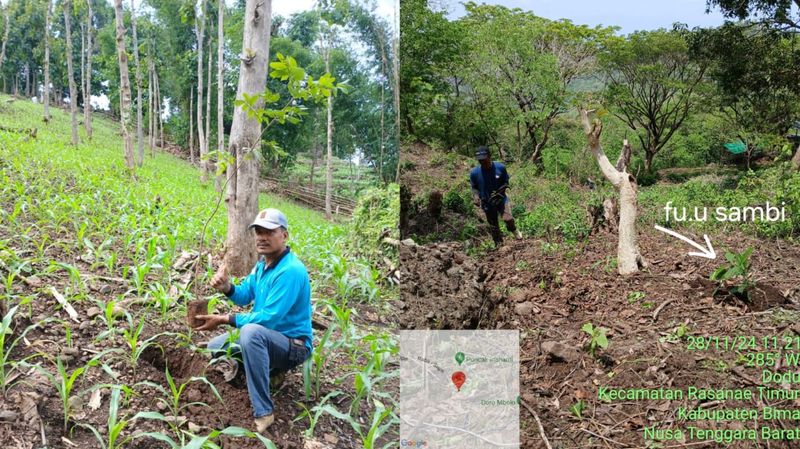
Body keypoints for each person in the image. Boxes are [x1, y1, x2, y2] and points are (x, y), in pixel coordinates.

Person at [194, 208, 313, 434]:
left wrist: (223, 319)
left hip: (294, 345)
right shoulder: (262, 265)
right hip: (268, 337)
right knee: (215, 346)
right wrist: (227, 288)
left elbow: (269, 318)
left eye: (269, 231)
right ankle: (269, 370)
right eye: (258, 231)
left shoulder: (291, 271)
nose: (261, 237)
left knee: (250, 333)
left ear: (284, 235)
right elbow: (244, 295)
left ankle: (264, 411)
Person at [469, 146, 522, 245]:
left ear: (489, 156)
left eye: (484, 160)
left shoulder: (500, 167)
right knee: (493, 225)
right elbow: (474, 187)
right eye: (480, 161)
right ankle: (499, 245)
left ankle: (513, 230)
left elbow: (505, 183)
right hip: (487, 202)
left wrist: (499, 192)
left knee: (508, 218)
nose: (482, 162)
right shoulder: (474, 173)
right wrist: (476, 197)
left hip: (501, 199)